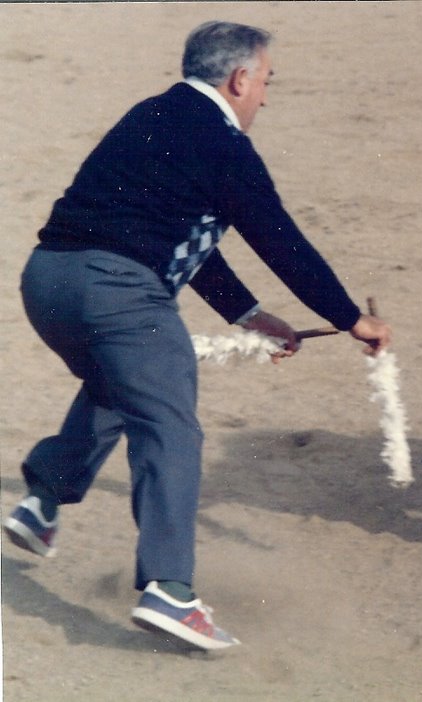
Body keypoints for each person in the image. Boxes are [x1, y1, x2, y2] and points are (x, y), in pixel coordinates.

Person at [4, 20, 391, 651]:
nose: (266, 95)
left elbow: (185, 235)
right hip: (121, 293)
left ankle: (42, 499)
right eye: (266, 81)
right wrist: (353, 318)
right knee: (170, 424)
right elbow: (280, 239)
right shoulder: (225, 144)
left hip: (46, 283)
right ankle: (169, 591)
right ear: (240, 78)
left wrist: (247, 315)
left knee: (124, 381)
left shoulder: (149, 115)